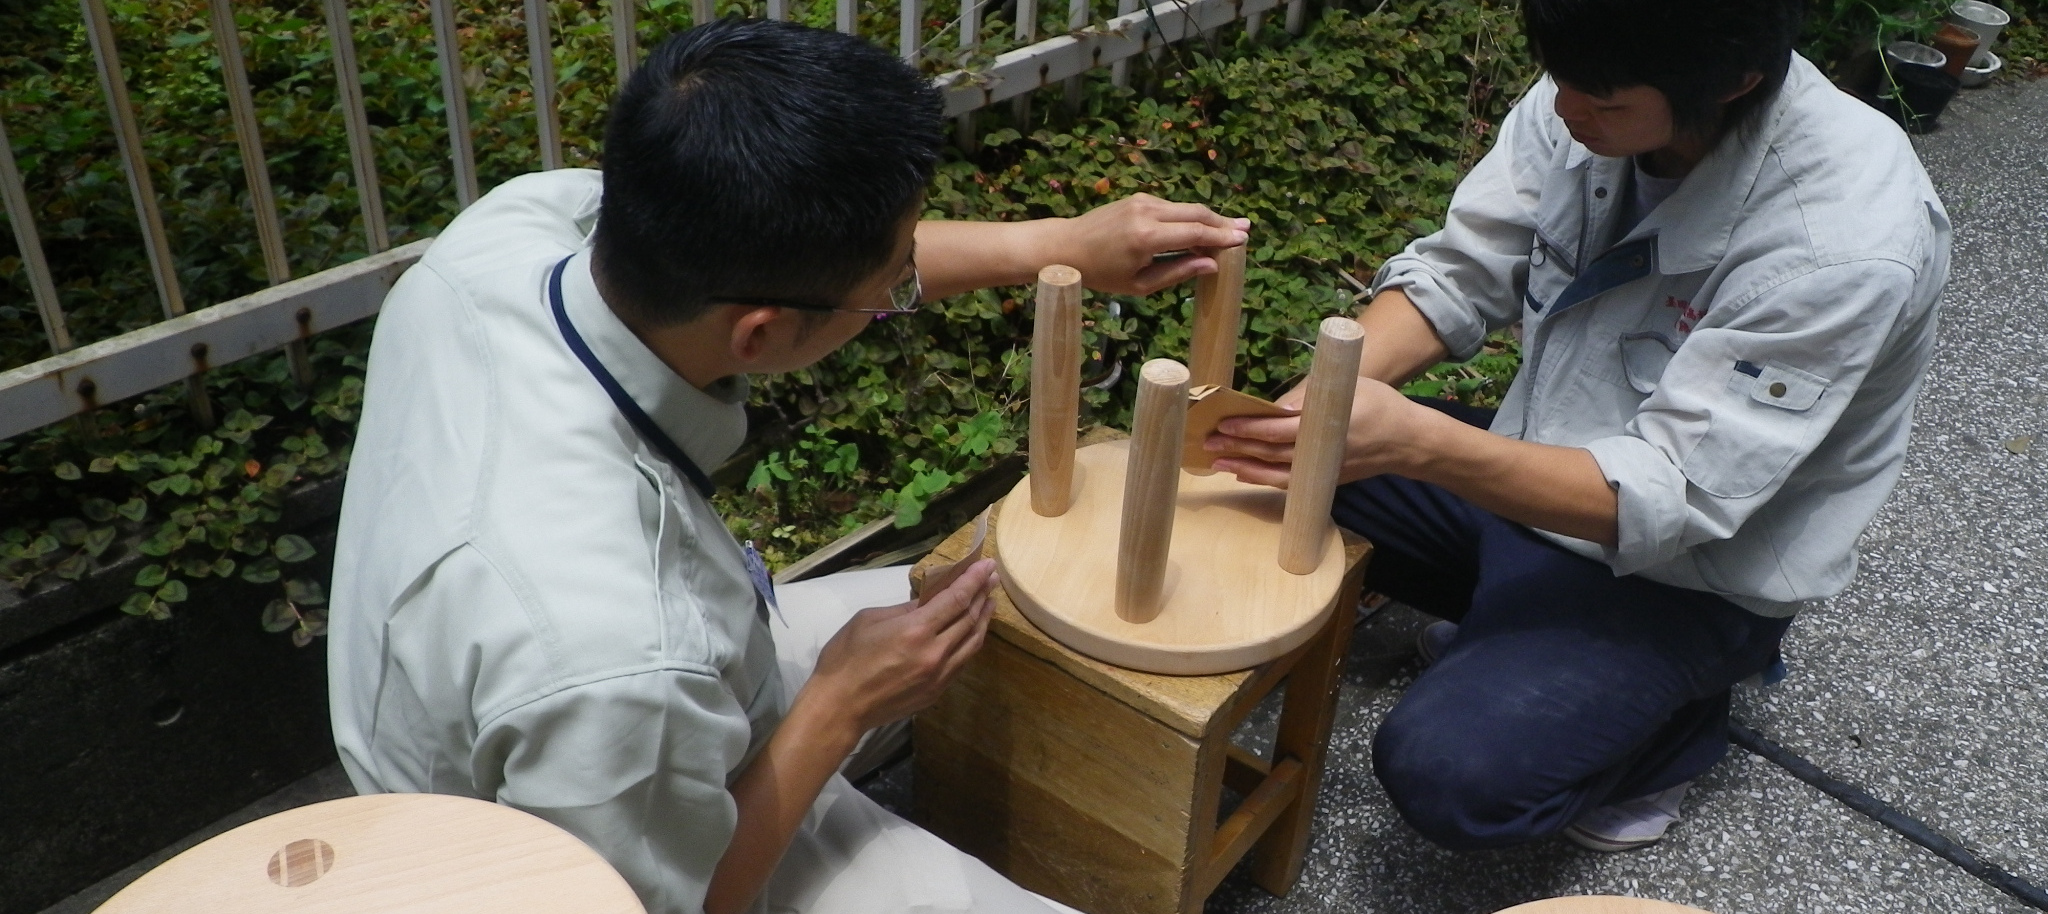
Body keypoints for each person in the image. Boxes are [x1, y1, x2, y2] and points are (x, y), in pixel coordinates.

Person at [327, 19, 1249, 914]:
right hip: (548, 859)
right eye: (891, 287)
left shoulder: (514, 231)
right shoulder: (623, 657)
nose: (901, 288)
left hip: (600, 708)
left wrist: (1056, 246)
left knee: (991, 603)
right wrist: (841, 704)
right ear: (759, 337)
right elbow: (666, 901)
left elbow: (802, 260)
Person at [1207, 0, 1949, 853]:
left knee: (1455, 778)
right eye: (1559, 80)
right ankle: (1515, 627)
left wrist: (1418, 443)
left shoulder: (1843, 244)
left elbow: (1673, 496)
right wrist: (1323, 400)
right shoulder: (1602, 71)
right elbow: (1461, 268)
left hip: (1686, 571)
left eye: (1600, 100)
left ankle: (1672, 730)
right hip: (1540, 462)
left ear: (1736, 81)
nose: (1565, 111)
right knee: (1259, 471)